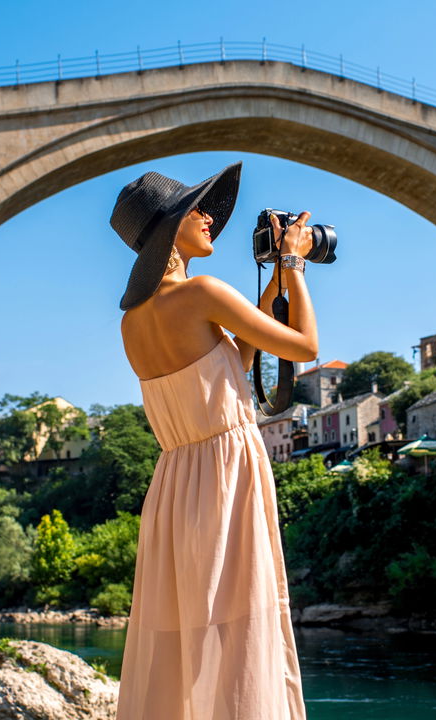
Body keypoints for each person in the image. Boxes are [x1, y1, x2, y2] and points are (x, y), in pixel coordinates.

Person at [109, 161, 315, 720]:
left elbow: (234, 363)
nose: (207, 217)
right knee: (242, 622)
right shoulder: (202, 293)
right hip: (228, 473)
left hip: (177, 483)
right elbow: (303, 345)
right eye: (194, 209)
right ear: (167, 230)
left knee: (184, 631)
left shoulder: (132, 323)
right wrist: (293, 263)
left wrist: (272, 278)